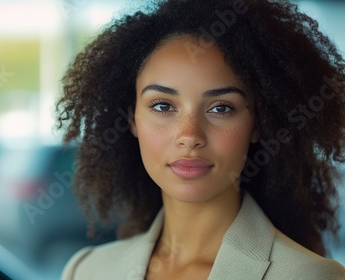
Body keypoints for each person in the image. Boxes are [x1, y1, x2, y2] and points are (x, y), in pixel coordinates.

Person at [55, 0, 345, 279]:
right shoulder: (86, 271)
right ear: (131, 118)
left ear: (258, 122)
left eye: (221, 108)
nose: (189, 136)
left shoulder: (310, 277)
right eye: (162, 106)